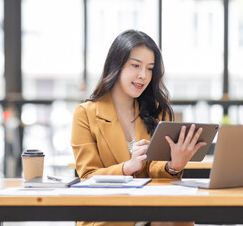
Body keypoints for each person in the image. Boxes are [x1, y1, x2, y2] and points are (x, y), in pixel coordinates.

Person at [70, 29, 206, 226]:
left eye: (150, 68)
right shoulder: (85, 114)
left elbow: (155, 170)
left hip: (151, 210)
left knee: (177, 218)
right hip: (108, 215)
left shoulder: (157, 112)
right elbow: (88, 178)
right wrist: (127, 168)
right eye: (136, 65)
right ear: (116, 65)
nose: (143, 75)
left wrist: (173, 165)